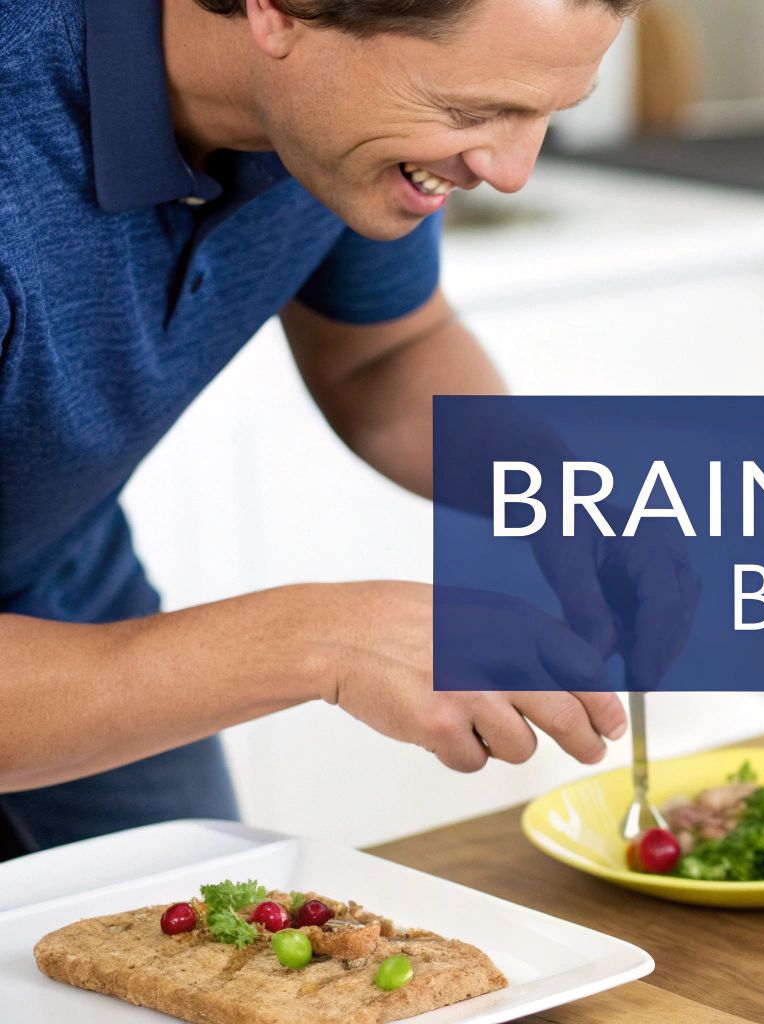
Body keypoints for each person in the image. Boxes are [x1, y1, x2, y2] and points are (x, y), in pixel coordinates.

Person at [0, 0, 685, 858]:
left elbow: (386, 353)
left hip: (67, 592)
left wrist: (560, 499)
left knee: (199, 952)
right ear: (277, 12)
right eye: (473, 111)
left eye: (547, 111)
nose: (512, 170)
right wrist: (323, 643)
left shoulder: (325, 129)